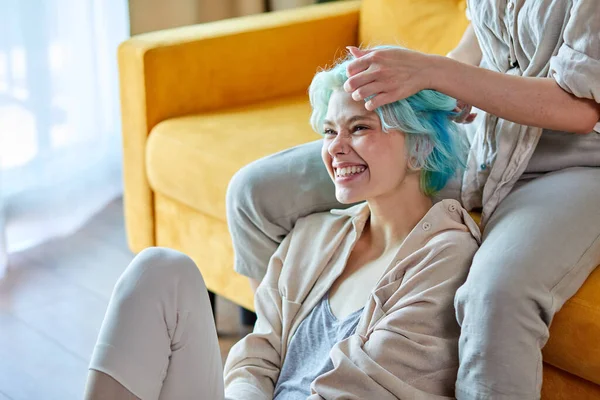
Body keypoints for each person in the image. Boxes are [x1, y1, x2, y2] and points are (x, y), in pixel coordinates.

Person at [226, 2, 600, 399]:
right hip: (486, 143)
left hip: (572, 165)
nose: (336, 145)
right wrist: (426, 88)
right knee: (254, 194)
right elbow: (481, 41)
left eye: (356, 129)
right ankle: (295, 365)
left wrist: (438, 71)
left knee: (495, 296)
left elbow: (582, 108)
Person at [83, 53, 481, 399]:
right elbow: (257, 354)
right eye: (329, 131)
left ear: (421, 146)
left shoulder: (444, 256)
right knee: (159, 270)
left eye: (359, 128)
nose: (335, 147)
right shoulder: (314, 235)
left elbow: (364, 388)